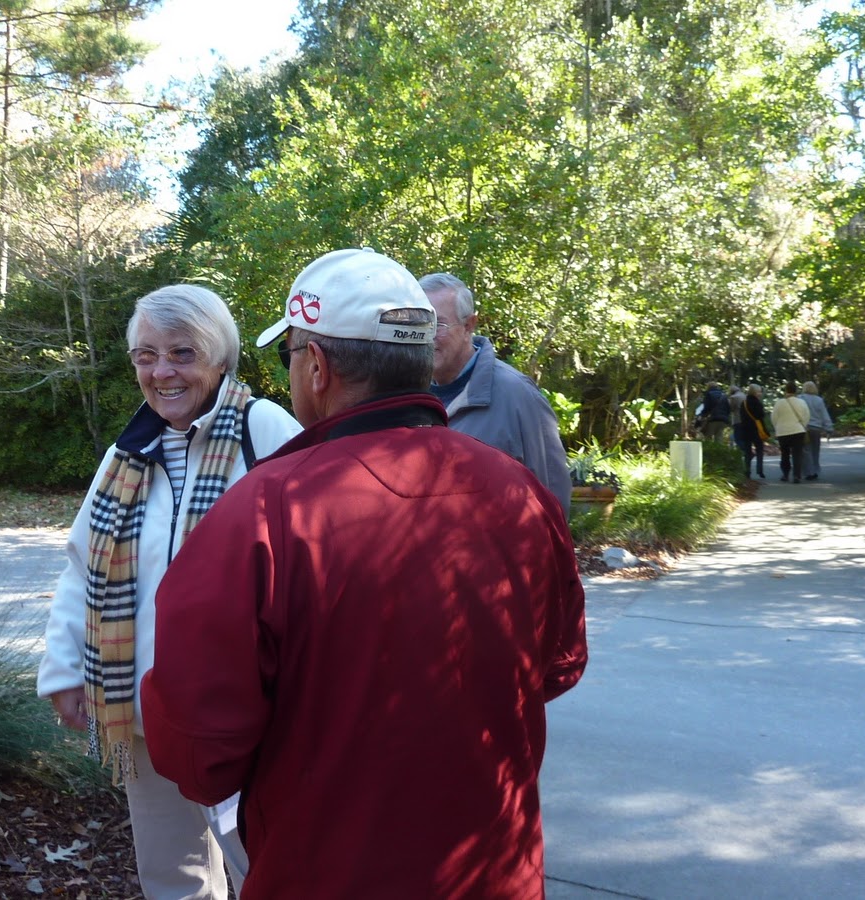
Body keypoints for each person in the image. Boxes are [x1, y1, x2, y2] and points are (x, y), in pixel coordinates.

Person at [140, 249, 589, 900]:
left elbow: (197, 750)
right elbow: (559, 665)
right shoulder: (520, 493)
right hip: (497, 873)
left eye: (289, 354)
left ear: (317, 367)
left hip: (325, 875)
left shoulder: (265, 511)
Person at [37, 284, 302, 899]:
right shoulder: (126, 454)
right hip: (144, 709)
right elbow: (83, 567)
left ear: (220, 358)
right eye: (146, 356)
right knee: (171, 873)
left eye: (183, 353)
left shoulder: (263, 430)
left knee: (266, 866)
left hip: (243, 712)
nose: (162, 372)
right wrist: (65, 670)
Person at [419, 272, 572, 513]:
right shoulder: (410, 397)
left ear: (469, 325)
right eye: (420, 324)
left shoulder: (518, 396)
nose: (427, 336)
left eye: (438, 324)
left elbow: (553, 501)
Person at [771, 381, 811, 483]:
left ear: (786, 390)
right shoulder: (801, 402)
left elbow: (774, 417)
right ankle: (797, 475)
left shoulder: (779, 403)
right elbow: (807, 416)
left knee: (785, 454)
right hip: (798, 430)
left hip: (783, 431)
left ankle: (785, 474)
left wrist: (777, 427)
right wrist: (802, 425)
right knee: (797, 454)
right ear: (796, 391)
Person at [800, 381, 835, 480]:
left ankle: (808, 471)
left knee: (806, 450)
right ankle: (815, 470)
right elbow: (824, 415)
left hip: (804, 428)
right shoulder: (819, 400)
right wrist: (829, 428)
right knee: (815, 450)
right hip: (816, 428)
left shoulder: (800, 399)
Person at [735, 384, 768, 480]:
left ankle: (747, 470)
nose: (760, 393)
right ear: (755, 392)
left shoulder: (744, 403)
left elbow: (741, 416)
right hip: (757, 429)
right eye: (759, 392)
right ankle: (760, 470)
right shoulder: (757, 403)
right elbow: (761, 416)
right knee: (759, 449)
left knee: (747, 451)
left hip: (746, 429)